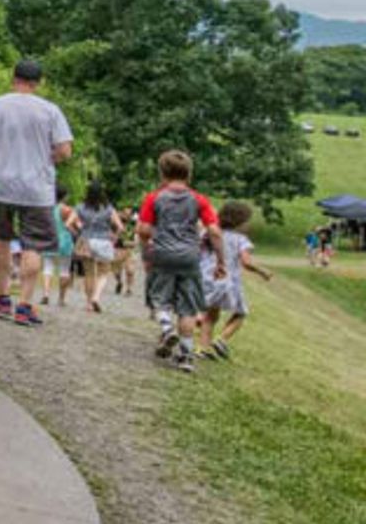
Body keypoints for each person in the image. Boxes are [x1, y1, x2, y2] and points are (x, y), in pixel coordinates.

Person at [0, 58, 75, 328]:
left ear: (13, 78)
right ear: (38, 83)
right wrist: (45, 157)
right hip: (37, 188)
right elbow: (65, 150)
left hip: (1, 183)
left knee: (1, 238)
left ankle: (3, 297)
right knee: (34, 245)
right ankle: (25, 305)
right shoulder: (50, 110)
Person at [138, 150, 220, 373]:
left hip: (162, 254)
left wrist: (147, 254)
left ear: (162, 172)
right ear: (189, 173)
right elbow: (214, 231)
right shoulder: (199, 200)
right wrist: (221, 261)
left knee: (158, 297)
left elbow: (143, 230)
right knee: (188, 307)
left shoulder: (154, 198)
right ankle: (186, 356)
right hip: (190, 257)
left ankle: (166, 328)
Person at [200, 201, 272, 360]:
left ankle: (204, 348)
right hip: (227, 281)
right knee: (240, 313)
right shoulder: (240, 239)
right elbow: (246, 262)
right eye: (247, 221)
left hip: (207, 278)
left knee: (210, 316)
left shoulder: (210, 232)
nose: (248, 224)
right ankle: (221, 340)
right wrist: (262, 271)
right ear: (239, 222)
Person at [71, 184, 126, 313]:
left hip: (86, 242)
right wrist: (114, 238)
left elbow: (69, 223)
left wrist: (78, 233)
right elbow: (121, 227)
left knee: (89, 274)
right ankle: (96, 297)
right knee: (104, 273)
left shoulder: (80, 207)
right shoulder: (108, 208)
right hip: (104, 242)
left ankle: (89, 304)